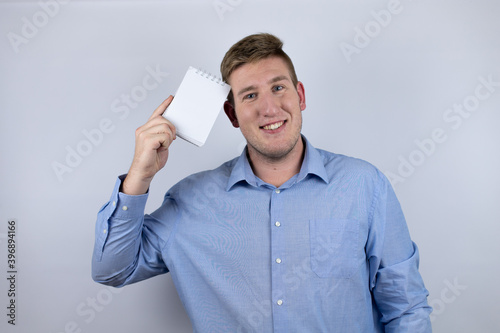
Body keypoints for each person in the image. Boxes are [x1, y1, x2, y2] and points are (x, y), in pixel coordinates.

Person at [92, 33, 432, 332]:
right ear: (232, 114)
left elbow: (405, 307)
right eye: (250, 96)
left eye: (278, 87)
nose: (269, 108)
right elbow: (112, 270)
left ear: (300, 95)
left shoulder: (364, 186)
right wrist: (140, 174)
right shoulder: (190, 201)